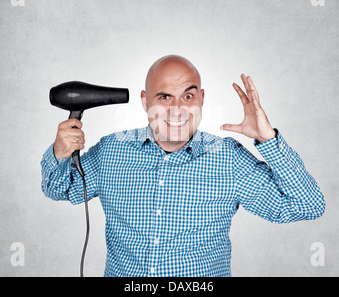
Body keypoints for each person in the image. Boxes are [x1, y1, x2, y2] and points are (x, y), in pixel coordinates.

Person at [41, 55, 325, 277]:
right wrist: (60, 153)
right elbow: (58, 189)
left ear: (201, 99)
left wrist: (268, 139)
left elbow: (308, 206)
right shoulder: (112, 151)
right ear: (144, 101)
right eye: (164, 97)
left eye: (188, 96)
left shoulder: (229, 159)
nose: (177, 109)